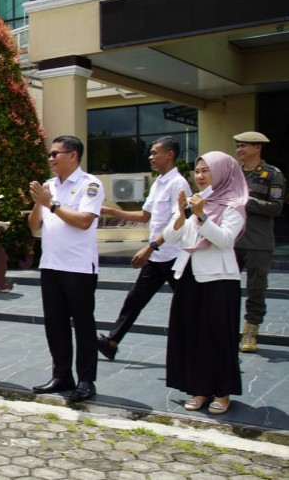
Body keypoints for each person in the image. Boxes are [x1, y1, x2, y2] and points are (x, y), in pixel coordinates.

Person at [164, 151, 248, 415]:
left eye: (205, 171)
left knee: (218, 338)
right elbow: (170, 236)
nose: (199, 176)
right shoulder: (196, 201)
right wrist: (181, 214)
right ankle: (199, 389)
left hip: (219, 280)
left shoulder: (234, 204)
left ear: (223, 172)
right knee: (192, 335)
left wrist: (201, 216)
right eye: (197, 171)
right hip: (190, 276)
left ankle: (222, 393)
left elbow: (225, 240)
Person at [97, 136, 192, 360]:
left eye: (155, 152)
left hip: (175, 257)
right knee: (135, 299)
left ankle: (217, 345)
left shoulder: (179, 184)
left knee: (191, 304)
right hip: (157, 257)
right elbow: (145, 215)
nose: (150, 157)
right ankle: (112, 342)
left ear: (170, 154)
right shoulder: (159, 182)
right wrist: (112, 212)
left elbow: (176, 223)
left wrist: (150, 248)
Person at [27, 135, 104, 402]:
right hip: (51, 265)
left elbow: (84, 221)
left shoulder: (90, 184)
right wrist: (39, 201)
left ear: (73, 155)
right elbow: (34, 225)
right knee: (55, 324)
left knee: (83, 325)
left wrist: (52, 204)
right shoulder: (49, 186)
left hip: (79, 267)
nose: (50, 159)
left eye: (55, 154)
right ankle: (61, 375)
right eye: (49, 154)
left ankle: (86, 380)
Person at [232, 131, 285, 353]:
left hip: (258, 242)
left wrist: (246, 201)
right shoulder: (234, 174)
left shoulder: (272, 175)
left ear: (257, 148)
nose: (239, 150)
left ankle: (251, 330)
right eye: (238, 146)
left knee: (256, 289)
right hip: (232, 241)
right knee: (226, 287)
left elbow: (276, 208)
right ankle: (226, 328)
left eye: (244, 146)